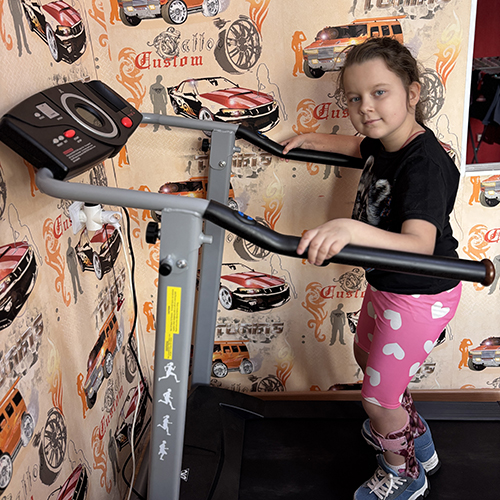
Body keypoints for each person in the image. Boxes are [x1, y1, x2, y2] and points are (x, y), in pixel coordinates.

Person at [281, 37, 462, 500]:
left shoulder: (424, 164)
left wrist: (349, 228)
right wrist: (312, 139)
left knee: (378, 398)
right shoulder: (385, 141)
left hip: (421, 293)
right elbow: (357, 145)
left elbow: (419, 245)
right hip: (388, 284)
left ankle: (404, 472)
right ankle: (413, 436)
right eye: (354, 98)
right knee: (366, 359)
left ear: (412, 93)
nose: (365, 107)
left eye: (380, 93)